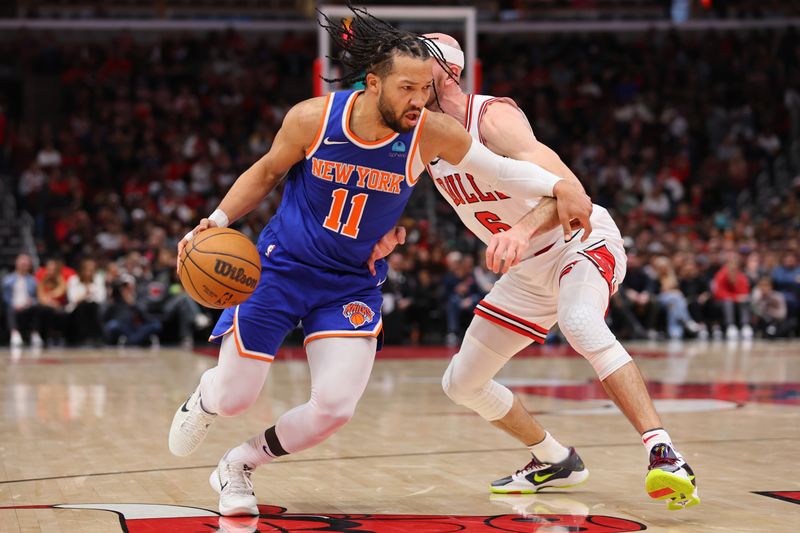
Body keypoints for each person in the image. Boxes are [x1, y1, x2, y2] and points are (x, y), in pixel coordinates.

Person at [167, 5, 592, 518]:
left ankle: (238, 465)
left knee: (335, 408)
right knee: (235, 396)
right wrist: (215, 220)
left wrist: (559, 186)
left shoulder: (431, 132)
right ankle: (205, 400)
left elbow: (500, 168)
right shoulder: (314, 118)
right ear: (373, 84)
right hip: (281, 269)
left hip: (351, 282)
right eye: (406, 89)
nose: (418, 100)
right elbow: (264, 173)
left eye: (423, 89)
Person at [373, 33, 699, 510]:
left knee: (581, 321)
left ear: (448, 73)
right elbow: (386, 192)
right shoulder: (423, 135)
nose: (412, 84)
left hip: (578, 241)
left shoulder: (493, 118)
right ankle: (554, 459)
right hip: (528, 271)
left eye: (422, 71)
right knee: (461, 383)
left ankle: (665, 454)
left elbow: (572, 195)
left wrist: (522, 231)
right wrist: (381, 233)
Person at [2, 253, 43, 349]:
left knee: (37, 307)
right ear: (17, 264)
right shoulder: (8, 280)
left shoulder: (33, 280)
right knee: (9, 308)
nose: (24, 266)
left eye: (26, 264)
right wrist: (15, 305)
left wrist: (31, 302)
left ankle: (34, 334)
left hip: (28, 306)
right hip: (13, 306)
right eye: (22, 263)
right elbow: (5, 297)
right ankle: (14, 334)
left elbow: (37, 297)